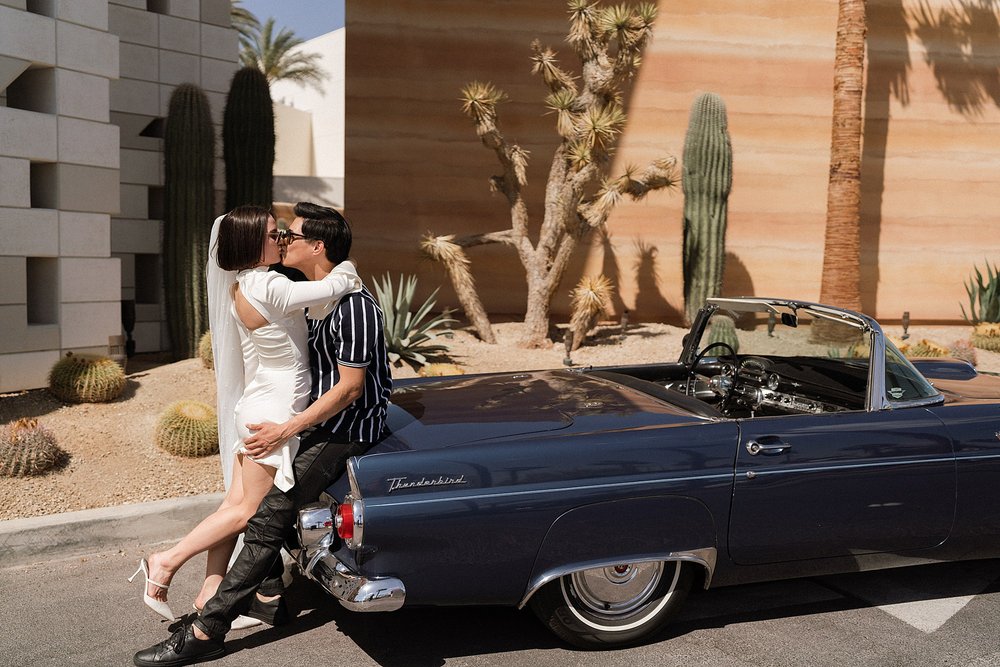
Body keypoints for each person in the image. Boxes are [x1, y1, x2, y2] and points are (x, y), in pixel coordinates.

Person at [133, 202, 392, 667]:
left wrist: (289, 424)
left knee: (245, 510)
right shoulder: (277, 284)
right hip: (277, 412)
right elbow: (329, 291)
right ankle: (180, 580)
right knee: (253, 513)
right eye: (278, 235)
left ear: (316, 245)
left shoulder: (311, 297)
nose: (283, 240)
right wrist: (347, 270)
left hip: (293, 414)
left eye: (288, 235)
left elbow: (350, 382)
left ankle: (244, 599)